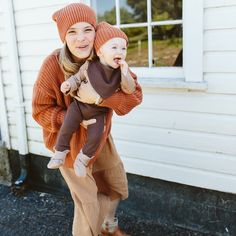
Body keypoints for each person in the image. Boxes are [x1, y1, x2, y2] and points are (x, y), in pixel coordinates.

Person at [32, 3, 142, 236]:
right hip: (69, 144)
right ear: (64, 36)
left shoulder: (105, 54)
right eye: (72, 31)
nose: (81, 38)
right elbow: (39, 111)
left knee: (115, 185)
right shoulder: (52, 65)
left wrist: (102, 100)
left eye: (87, 30)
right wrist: (73, 120)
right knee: (88, 204)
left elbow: (134, 96)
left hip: (100, 136)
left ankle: (108, 227)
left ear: (96, 31)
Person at [47, 22, 136, 179]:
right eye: (114, 48)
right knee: (68, 125)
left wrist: (125, 73)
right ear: (100, 51)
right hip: (79, 107)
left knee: (96, 136)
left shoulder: (120, 72)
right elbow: (78, 78)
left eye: (124, 48)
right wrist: (69, 84)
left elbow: (130, 90)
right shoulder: (89, 65)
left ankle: (82, 160)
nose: (120, 52)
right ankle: (60, 152)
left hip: (98, 113)